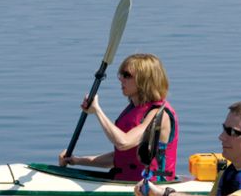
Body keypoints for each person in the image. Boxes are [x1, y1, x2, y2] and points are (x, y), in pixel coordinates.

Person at [58, 53, 178, 181]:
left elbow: (123, 143)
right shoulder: (133, 109)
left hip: (152, 189)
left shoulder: (159, 115)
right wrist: (76, 160)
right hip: (125, 180)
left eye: (127, 75)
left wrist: (97, 111)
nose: (121, 79)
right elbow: (119, 157)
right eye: (121, 74)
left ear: (144, 80)